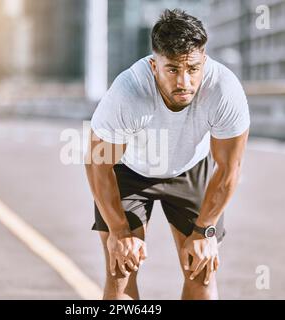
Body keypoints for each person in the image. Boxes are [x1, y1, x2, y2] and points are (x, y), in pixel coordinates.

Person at [84, 8, 250, 300]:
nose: (184, 82)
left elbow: (228, 169)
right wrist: (119, 232)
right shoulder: (128, 93)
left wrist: (206, 231)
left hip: (190, 168)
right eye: (173, 69)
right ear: (154, 65)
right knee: (121, 271)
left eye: (193, 69)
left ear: (204, 61)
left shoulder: (224, 90)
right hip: (128, 171)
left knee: (202, 273)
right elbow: (98, 163)